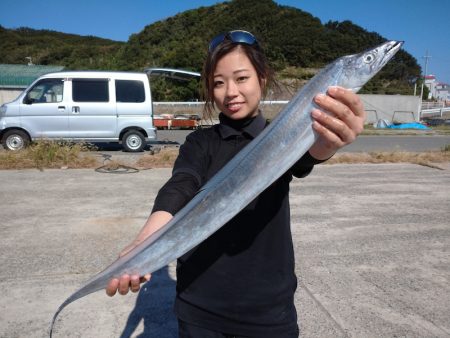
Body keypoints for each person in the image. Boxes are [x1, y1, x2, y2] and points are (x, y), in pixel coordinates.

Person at [106, 30, 365, 337]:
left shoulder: (283, 138)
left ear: (262, 79)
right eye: (218, 82)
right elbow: (181, 185)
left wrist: (330, 140)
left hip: (269, 312)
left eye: (241, 78)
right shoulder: (200, 142)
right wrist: (146, 240)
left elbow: (309, 154)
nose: (230, 92)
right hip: (200, 310)